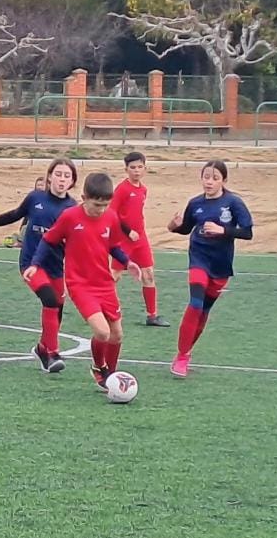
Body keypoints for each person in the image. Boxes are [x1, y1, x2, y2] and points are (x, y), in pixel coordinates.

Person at [26, 172, 141, 391]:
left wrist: (127, 262)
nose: (101, 210)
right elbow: (48, 240)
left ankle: (111, 375)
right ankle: (99, 368)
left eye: (106, 205)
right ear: (84, 197)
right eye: (97, 205)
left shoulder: (111, 217)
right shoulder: (70, 217)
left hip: (105, 283)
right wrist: (35, 264)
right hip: (80, 285)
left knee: (117, 335)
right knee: (102, 332)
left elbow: (113, 246)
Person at [0, 158, 80, 373]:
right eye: (58, 174)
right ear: (49, 177)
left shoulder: (72, 208)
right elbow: (12, 215)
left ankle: (41, 348)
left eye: (67, 176)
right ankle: (53, 353)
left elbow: (76, 240)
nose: (61, 179)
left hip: (55, 266)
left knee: (56, 309)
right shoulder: (35, 198)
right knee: (50, 300)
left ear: (72, 181)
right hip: (31, 264)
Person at [166, 160, 254, 378]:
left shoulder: (233, 203)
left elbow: (247, 232)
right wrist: (172, 226)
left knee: (204, 311)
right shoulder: (195, 203)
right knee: (195, 304)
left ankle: (187, 352)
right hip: (199, 258)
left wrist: (222, 230)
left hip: (221, 264)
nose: (209, 182)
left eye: (215, 178)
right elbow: (186, 229)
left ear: (223, 180)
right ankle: (182, 356)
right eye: (206, 177)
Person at [110, 152, 168, 327]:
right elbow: (112, 213)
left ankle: (152, 315)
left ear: (145, 168)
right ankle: (102, 308)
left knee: (148, 274)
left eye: (139, 167)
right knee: (115, 276)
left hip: (140, 239)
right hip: (123, 240)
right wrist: (128, 231)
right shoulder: (122, 189)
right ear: (126, 169)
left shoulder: (143, 189)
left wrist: (138, 233)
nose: (136, 171)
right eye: (132, 168)